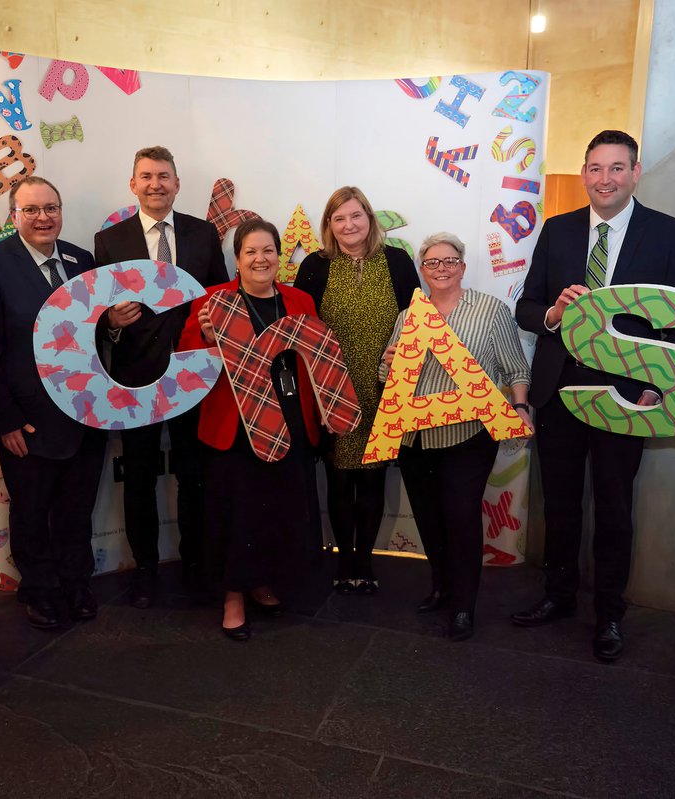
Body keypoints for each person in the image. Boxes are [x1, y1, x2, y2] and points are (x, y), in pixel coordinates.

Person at [511, 129, 675, 662]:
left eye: (617, 168)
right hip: (561, 388)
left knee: (614, 507)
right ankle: (558, 597)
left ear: (636, 172)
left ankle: (610, 614)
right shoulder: (559, 229)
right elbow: (528, 307)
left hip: (627, 395)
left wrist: (656, 388)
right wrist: (553, 314)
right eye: (595, 168)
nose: (605, 178)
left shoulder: (666, 233)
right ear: (584, 174)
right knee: (561, 504)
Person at [0, 176, 107, 631]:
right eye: (31, 210)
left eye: (51, 208)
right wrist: (3, 420)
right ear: (14, 217)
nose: (43, 217)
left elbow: (91, 332)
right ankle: (40, 590)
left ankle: (76, 583)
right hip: (26, 420)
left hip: (84, 412)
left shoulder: (81, 260)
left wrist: (114, 321)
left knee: (76, 507)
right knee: (31, 510)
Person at [379, 233, 531, 642]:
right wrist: (389, 361)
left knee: (461, 518)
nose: (441, 268)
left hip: (468, 435)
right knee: (429, 517)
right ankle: (442, 587)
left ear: (462, 266)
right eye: (432, 262)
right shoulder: (409, 315)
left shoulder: (491, 310)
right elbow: (387, 376)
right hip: (416, 437)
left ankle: (464, 605)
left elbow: (516, 367)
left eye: (449, 261)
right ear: (422, 270)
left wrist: (519, 408)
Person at [95, 145, 228, 608]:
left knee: (195, 476)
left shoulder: (203, 233)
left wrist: (213, 327)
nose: (155, 184)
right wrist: (111, 320)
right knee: (139, 480)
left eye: (164, 176)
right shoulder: (110, 240)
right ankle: (145, 572)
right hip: (135, 380)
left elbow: (218, 296)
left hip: (193, 376)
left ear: (176, 183)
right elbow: (96, 312)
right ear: (133, 184)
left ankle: (196, 566)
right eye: (146, 176)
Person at [179, 219, 322, 640]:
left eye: (268, 251)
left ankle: (262, 582)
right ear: (237, 260)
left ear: (279, 256)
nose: (261, 259)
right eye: (251, 252)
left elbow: (316, 359)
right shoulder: (212, 300)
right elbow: (186, 362)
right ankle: (233, 596)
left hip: (291, 420)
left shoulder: (300, 300)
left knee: (277, 509)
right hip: (234, 425)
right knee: (235, 513)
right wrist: (207, 338)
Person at [294, 187, 421, 595]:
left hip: (384, 389)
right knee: (337, 478)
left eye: (356, 216)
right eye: (339, 218)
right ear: (329, 225)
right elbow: (300, 329)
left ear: (370, 218)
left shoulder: (398, 262)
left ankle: (363, 562)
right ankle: (343, 559)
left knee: (371, 481)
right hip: (331, 391)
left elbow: (417, 322)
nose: (349, 225)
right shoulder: (315, 265)